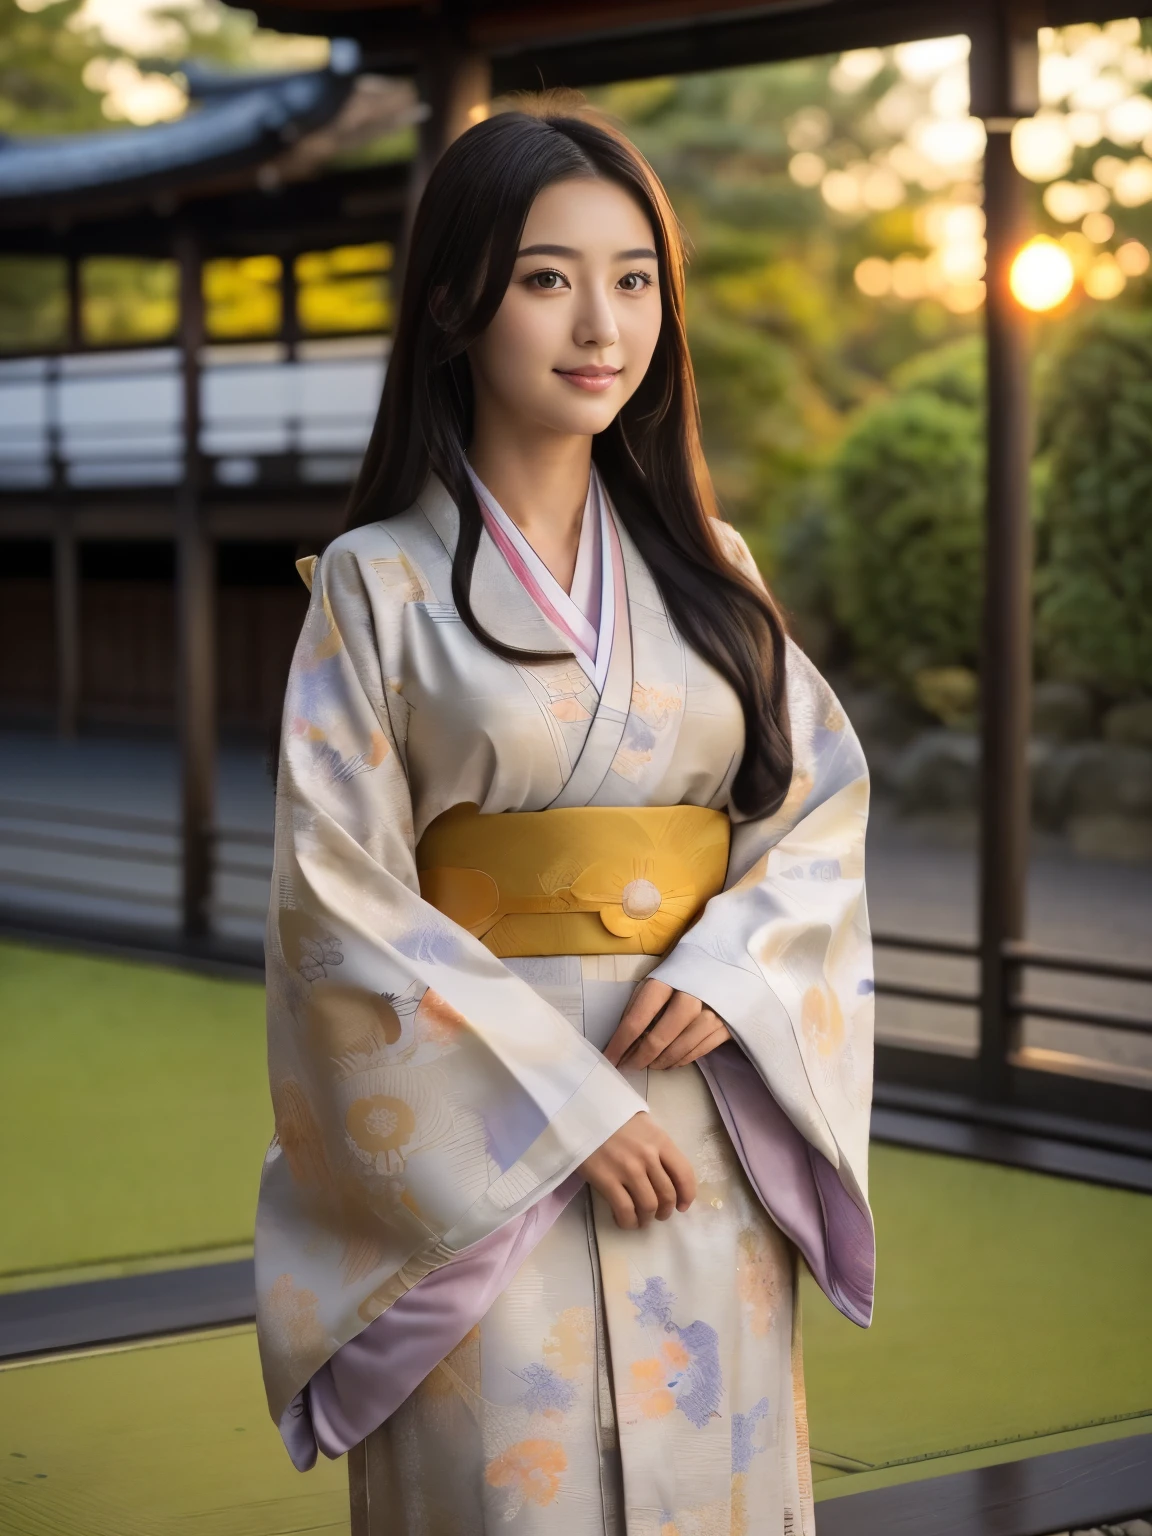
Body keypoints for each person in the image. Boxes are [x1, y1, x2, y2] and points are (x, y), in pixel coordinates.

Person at [255, 98, 875, 1536]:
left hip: (702, 1109)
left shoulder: (711, 567)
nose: (602, 322)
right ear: (459, 301)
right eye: (547, 277)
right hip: (491, 1149)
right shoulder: (374, 582)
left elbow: (819, 808)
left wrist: (732, 968)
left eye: (634, 277)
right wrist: (573, 1108)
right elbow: (336, 896)